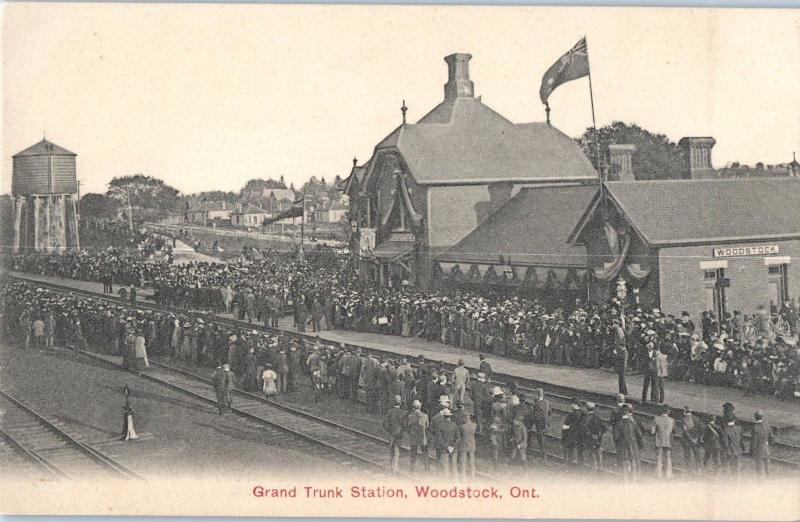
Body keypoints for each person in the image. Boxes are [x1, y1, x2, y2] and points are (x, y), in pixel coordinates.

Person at [613, 404, 643, 482]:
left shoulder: (618, 424)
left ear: (621, 412)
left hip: (623, 446)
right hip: (633, 445)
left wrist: (617, 444)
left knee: (624, 463)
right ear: (628, 412)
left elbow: (615, 437)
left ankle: (625, 481)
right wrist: (640, 445)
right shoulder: (633, 423)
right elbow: (639, 434)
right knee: (633, 462)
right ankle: (633, 480)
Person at [383, 395, 406, 474]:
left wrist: (389, 430)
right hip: (399, 434)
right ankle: (395, 468)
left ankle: (391, 467)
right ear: (400, 403)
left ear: (393, 402)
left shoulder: (389, 411)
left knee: (391, 451)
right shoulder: (402, 412)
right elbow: (405, 425)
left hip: (391, 434)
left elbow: (385, 424)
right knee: (397, 451)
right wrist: (401, 430)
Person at [650, 404, 675, 478]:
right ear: (669, 411)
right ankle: (668, 474)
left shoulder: (656, 419)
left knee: (659, 457)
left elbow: (652, 432)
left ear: (661, 410)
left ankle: (658, 474)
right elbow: (674, 431)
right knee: (668, 458)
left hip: (659, 441)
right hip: (668, 441)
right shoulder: (672, 420)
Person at [748, 410, 773, 480]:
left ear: (755, 417)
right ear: (762, 417)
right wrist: (767, 443)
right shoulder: (767, 425)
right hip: (766, 448)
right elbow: (772, 438)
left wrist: (751, 451)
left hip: (759, 450)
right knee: (767, 467)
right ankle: (769, 480)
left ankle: (760, 482)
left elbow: (753, 442)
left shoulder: (755, 427)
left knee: (759, 468)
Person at [407, 399, 430, 474]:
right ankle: (427, 471)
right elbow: (427, 427)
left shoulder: (410, 416)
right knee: (425, 455)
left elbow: (408, 427)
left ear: (413, 408)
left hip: (414, 438)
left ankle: (411, 470)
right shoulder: (425, 416)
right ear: (420, 407)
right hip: (422, 438)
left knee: (413, 454)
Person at [582, 401, 606, 471]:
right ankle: (601, 468)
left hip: (590, 439)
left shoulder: (586, 418)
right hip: (598, 439)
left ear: (587, 408)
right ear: (594, 408)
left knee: (592, 454)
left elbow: (585, 429)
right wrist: (599, 435)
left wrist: (588, 437)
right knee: (599, 453)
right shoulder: (598, 417)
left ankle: (593, 469)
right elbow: (604, 428)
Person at [436, 408, 460, 477]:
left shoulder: (440, 425)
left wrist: (447, 447)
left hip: (444, 449)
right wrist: (452, 446)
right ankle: (455, 484)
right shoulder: (454, 425)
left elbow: (439, 439)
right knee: (454, 468)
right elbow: (458, 438)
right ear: (449, 416)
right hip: (454, 450)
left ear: (443, 416)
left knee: (445, 468)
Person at [678, 407, 702, 474]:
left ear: (685, 412)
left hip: (686, 440)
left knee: (687, 455)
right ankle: (698, 469)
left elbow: (685, 431)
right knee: (697, 455)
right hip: (695, 440)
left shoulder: (684, 420)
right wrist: (697, 438)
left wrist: (691, 439)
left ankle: (688, 469)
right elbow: (701, 430)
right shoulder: (697, 419)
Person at [562, 398, 584, 467]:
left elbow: (566, 425)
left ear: (575, 404)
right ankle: (580, 464)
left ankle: (569, 462)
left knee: (570, 448)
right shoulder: (583, 413)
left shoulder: (571, 414)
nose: (571, 405)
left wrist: (566, 427)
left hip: (571, 434)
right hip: (580, 434)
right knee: (580, 449)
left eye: (572, 404)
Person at [530, 388, 550, 461]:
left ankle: (543, 457)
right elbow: (550, 412)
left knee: (540, 440)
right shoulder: (547, 402)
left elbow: (535, 416)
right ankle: (544, 455)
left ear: (537, 395)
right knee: (543, 440)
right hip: (546, 424)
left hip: (540, 425)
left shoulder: (537, 404)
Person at [458, 414, 477, 479]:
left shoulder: (462, 427)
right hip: (472, 445)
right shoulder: (474, 425)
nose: (462, 420)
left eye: (463, 418)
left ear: (465, 418)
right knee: (472, 462)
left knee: (463, 462)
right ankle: (473, 476)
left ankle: (463, 477)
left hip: (464, 445)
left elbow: (459, 436)